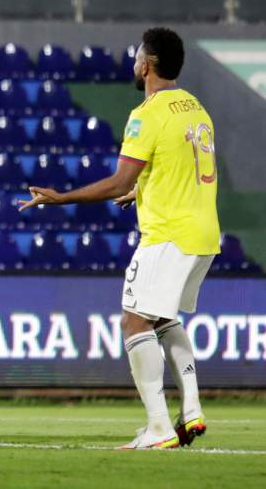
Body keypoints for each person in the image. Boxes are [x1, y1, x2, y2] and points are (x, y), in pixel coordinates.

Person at [18, 27, 218, 450]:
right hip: (203, 233)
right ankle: (193, 408)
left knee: (133, 319)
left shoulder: (147, 113)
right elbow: (175, 170)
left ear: (146, 65)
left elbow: (117, 180)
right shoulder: (195, 108)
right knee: (164, 319)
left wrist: (62, 198)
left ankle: (160, 427)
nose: (133, 63)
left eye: (136, 56)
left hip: (168, 234)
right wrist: (140, 191)